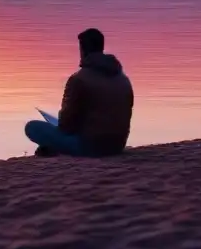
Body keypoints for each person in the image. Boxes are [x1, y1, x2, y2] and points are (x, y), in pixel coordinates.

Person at [24, 28, 134, 157]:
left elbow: (66, 125)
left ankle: (53, 149)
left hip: (91, 146)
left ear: (82, 50)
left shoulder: (79, 79)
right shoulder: (123, 78)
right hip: (117, 145)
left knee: (32, 127)